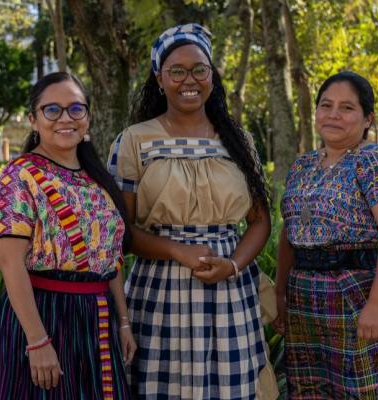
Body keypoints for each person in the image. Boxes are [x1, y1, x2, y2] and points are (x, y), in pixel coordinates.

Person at [108, 23, 272, 399]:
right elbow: (121, 231)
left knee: (230, 387)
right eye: (177, 71)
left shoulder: (238, 138)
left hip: (230, 287)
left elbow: (260, 220)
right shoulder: (135, 140)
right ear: (159, 78)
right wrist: (177, 250)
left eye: (200, 69)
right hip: (161, 290)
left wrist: (232, 265)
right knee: (164, 386)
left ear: (212, 75)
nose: (190, 80)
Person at [0, 72, 136, 399]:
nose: (65, 118)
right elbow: (9, 263)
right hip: (45, 316)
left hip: (98, 317)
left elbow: (110, 259)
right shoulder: (18, 178)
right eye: (52, 110)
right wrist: (37, 341)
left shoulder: (98, 181)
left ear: (88, 118)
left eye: (75, 109)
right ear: (33, 120)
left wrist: (123, 321)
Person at [274, 71, 378, 399]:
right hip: (304, 298)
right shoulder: (303, 165)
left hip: (359, 294)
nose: (334, 114)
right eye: (326, 105)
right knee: (311, 389)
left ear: (367, 118)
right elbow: (289, 231)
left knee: (368, 389)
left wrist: (377, 303)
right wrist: (281, 291)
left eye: (347, 108)